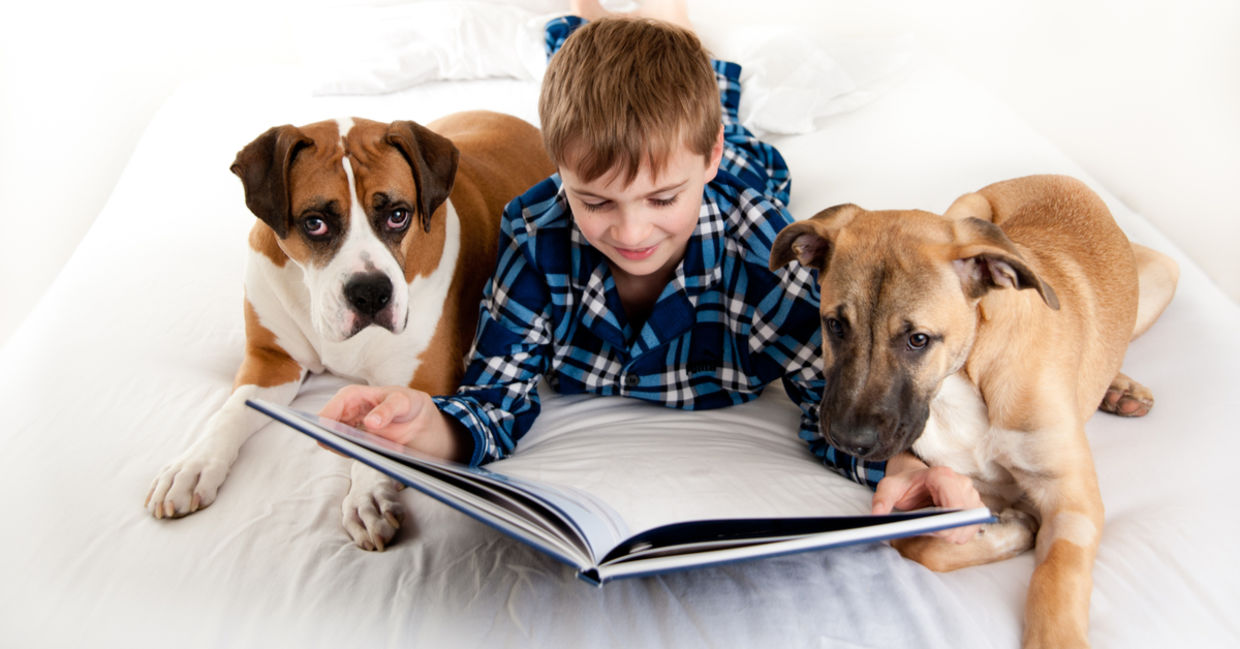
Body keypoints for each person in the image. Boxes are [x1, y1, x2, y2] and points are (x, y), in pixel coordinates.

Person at [320, 0, 982, 542]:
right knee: (604, 75)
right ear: (558, 170)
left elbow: (831, 401)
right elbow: (494, 402)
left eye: (662, 200)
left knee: (710, 98)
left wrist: (902, 468)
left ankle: (672, 19)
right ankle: (586, 21)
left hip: (742, 177)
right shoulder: (535, 230)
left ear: (705, 162)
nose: (632, 233)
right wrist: (422, 425)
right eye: (595, 202)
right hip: (664, 163)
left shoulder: (762, 255)